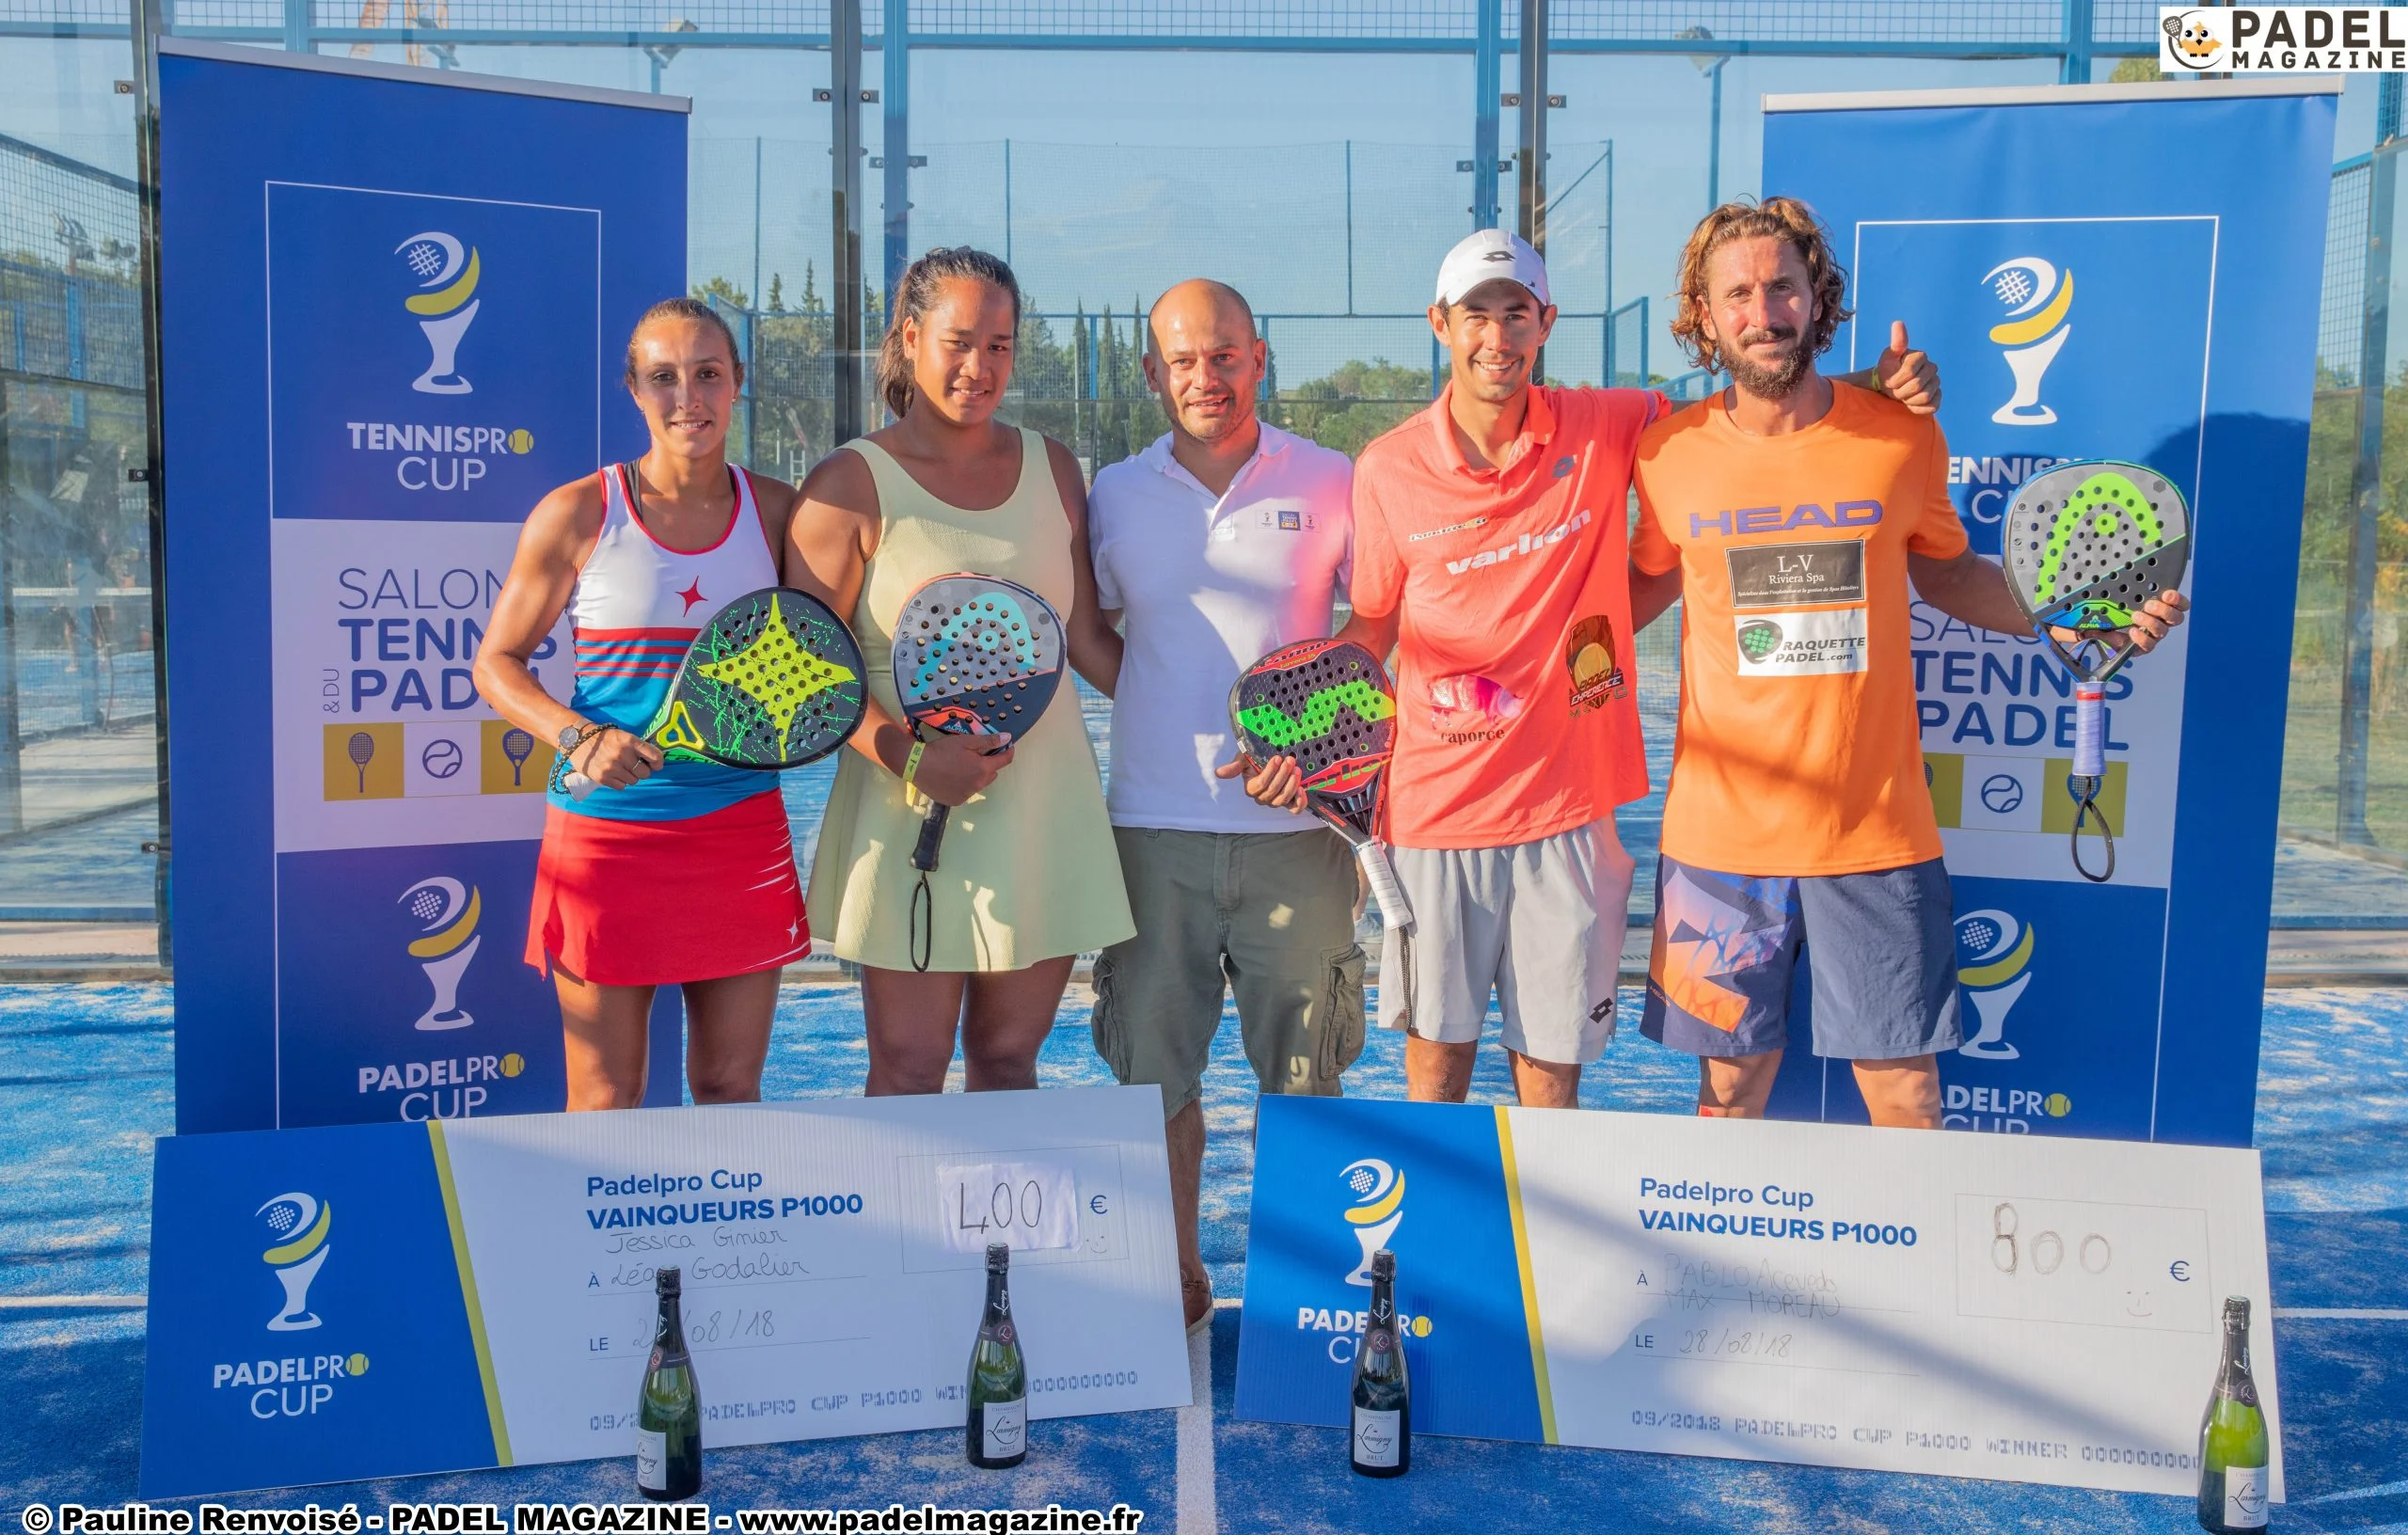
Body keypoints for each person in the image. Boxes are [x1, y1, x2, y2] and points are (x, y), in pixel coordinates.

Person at [1240, 227, 1940, 1109]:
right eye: (1476, 317)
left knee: (1550, 1077)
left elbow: (1757, 396)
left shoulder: (1611, 425)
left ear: (1544, 324)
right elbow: (1374, 624)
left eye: (1515, 315)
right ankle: (1447, 1252)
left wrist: (1878, 387)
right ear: (1441, 325)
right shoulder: (1385, 469)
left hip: (1568, 809)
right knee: (1436, 1072)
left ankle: (1546, 1254)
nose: (1496, 337)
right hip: (1432, 809)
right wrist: (1294, 736)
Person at [1627, 198, 2187, 1126]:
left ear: (1817, 298)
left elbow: (1945, 575)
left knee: (1907, 1099)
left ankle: (1919, 1277)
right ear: (1702, 313)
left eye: (1782, 288)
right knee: (1726, 1100)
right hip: (1719, 841)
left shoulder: (1898, 433)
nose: (1763, 313)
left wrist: (2080, 618)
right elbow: (1630, 591)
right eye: (1737, 295)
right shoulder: (1667, 454)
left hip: (1874, 831)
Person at [786, 245, 1132, 1096]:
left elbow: (1083, 636)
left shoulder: (1054, 468)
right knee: (906, 1069)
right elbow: (803, 672)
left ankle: (993, 1240)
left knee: (1010, 1063)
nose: (981, 367)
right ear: (910, 339)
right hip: (904, 812)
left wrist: (1207, 711)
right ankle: (900, 1238)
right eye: (960, 341)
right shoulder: (847, 485)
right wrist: (912, 757)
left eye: (1001, 346)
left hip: (1044, 811)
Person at [1087, 278, 1362, 1332]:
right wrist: (1165, 704)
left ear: (1260, 356)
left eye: (1225, 355)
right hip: (1152, 834)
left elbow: (1373, 628)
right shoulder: (1112, 492)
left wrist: (1316, 745)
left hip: (1302, 838)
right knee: (1152, 1082)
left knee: (1304, 1082)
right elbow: (1092, 630)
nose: (1206, 377)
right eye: (1182, 361)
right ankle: (1173, 1281)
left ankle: (1303, 1295)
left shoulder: (1333, 479)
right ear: (1153, 373)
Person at [476, 297, 806, 1111]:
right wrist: (579, 736)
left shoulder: (780, 514)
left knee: (731, 1089)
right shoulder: (580, 512)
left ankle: (724, 1248)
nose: (687, 397)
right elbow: (496, 664)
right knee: (605, 1098)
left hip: (739, 832)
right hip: (606, 840)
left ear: (737, 387)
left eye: (707, 375)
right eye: (664, 378)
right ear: (632, 390)